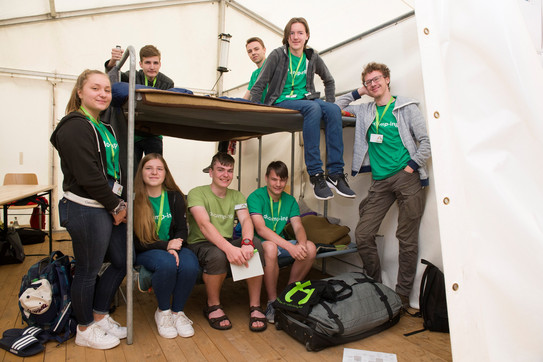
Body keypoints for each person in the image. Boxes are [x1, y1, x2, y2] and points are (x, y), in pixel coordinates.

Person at [335, 62, 431, 308]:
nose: (374, 84)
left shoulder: (406, 107)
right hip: (379, 180)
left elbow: (425, 143)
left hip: (406, 177)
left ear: (387, 79)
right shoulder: (365, 110)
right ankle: (374, 285)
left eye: (377, 79)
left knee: (406, 239)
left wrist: (411, 166)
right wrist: (359, 92)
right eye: (369, 82)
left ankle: (400, 296)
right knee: (364, 233)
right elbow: (335, 108)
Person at [50, 69, 128, 349]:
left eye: (107, 90)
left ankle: (99, 314)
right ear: (80, 91)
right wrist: (116, 204)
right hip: (86, 208)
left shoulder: (102, 125)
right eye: (96, 88)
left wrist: (117, 202)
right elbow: (88, 174)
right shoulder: (74, 125)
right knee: (87, 269)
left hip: (104, 206)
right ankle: (85, 328)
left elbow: (110, 171)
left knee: (121, 260)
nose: (103, 94)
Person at [250, 17, 355, 201]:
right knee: (313, 108)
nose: (296, 37)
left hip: (306, 98)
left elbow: (329, 80)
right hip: (281, 100)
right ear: (287, 37)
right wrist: (256, 111)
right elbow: (260, 84)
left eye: (300, 33)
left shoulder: (312, 57)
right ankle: (315, 174)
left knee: (332, 110)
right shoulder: (277, 55)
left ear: (306, 36)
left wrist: (330, 102)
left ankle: (335, 173)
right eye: (292, 33)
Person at [187, 152, 267, 332]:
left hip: (227, 241)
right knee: (218, 254)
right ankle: (213, 306)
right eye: (220, 169)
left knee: (256, 245)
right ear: (211, 172)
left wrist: (246, 242)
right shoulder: (197, 193)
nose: (225, 175)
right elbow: (204, 224)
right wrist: (229, 249)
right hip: (201, 243)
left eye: (229, 171)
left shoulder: (237, 196)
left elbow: (246, 220)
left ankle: (255, 306)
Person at [133, 153, 199, 339]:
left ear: (165, 173)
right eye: (149, 168)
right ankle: (163, 312)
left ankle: (177, 313)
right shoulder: (135, 198)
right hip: (146, 249)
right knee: (167, 264)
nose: (154, 172)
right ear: (141, 172)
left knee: (190, 265)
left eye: (159, 168)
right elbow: (137, 240)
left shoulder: (175, 196)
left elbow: (181, 230)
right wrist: (166, 246)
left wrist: (174, 246)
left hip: (173, 247)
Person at [247, 161, 317, 323]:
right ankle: (272, 301)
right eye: (274, 179)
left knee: (310, 247)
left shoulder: (290, 200)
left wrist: (300, 244)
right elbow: (261, 229)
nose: (278, 184)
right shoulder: (255, 197)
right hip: (260, 242)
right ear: (266, 178)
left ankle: (288, 294)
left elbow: (298, 226)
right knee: (271, 248)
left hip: (280, 242)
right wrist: (289, 247)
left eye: (282, 180)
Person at [105, 45, 174, 171]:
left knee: (155, 168)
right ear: (140, 64)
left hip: (153, 134)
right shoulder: (131, 75)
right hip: (132, 133)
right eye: (147, 63)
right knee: (131, 170)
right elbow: (113, 78)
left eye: (155, 63)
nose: (152, 67)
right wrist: (112, 62)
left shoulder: (167, 82)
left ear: (160, 64)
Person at [242, 37, 268, 102]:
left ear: (264, 50)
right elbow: (246, 97)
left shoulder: (273, 66)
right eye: (249, 51)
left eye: (256, 49)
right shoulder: (254, 74)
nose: (253, 53)